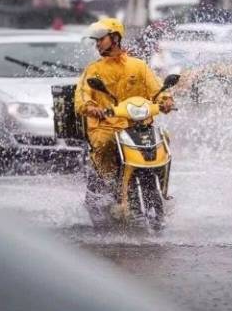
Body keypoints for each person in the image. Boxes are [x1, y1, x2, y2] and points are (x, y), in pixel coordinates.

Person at [74, 18, 174, 221]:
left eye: (101, 39)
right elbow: (82, 97)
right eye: (97, 40)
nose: (98, 43)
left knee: (164, 139)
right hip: (106, 127)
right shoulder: (93, 70)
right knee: (104, 144)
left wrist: (166, 101)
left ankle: (159, 187)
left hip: (137, 126)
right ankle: (108, 184)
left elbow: (156, 90)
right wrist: (92, 107)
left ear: (115, 38)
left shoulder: (139, 66)